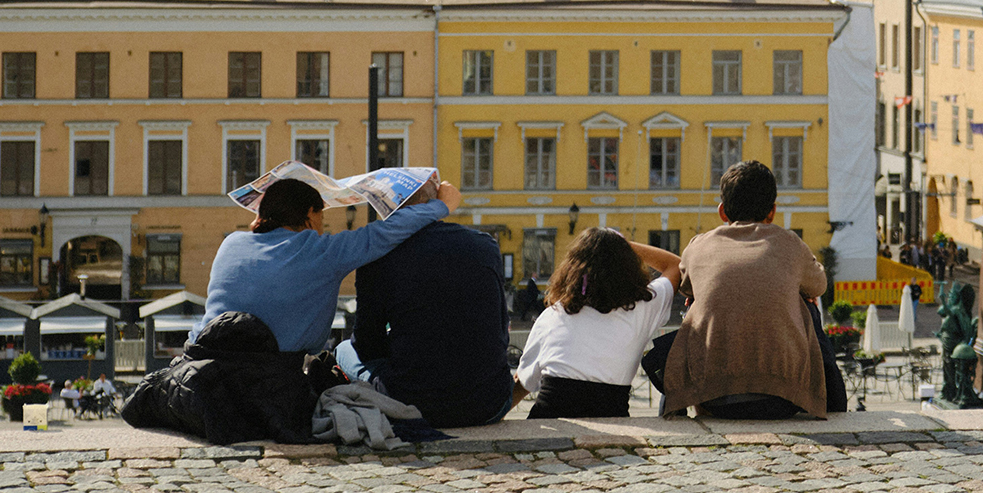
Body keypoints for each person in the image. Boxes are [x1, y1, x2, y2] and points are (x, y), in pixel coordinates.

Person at [191, 177, 458, 353]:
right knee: (343, 353)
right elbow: (383, 233)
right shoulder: (321, 252)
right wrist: (441, 205)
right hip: (268, 376)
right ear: (309, 215)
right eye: (321, 217)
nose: (322, 227)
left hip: (202, 363)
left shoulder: (231, 244)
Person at [661, 161, 834, 419]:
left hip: (712, 397)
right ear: (772, 211)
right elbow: (819, 285)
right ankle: (835, 399)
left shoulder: (698, 246)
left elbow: (686, 287)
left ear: (722, 211)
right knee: (807, 304)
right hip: (784, 398)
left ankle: (672, 408)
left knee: (693, 307)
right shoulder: (790, 243)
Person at [337, 190, 513, 429]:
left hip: (415, 405)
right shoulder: (485, 244)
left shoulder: (378, 255)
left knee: (343, 349)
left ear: (387, 208)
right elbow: (501, 330)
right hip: (490, 404)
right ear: (435, 203)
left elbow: (366, 344)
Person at [513, 228, 682, 418]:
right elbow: (676, 265)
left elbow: (525, 382)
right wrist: (620, 245)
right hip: (614, 419)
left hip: (549, 416)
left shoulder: (554, 314)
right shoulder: (645, 306)